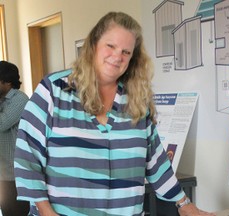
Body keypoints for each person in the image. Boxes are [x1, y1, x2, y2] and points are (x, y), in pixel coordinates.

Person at [14, 12, 214, 216]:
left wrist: (184, 203)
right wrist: (47, 212)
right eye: (110, 46)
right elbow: (26, 157)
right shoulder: (54, 90)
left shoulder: (135, 100)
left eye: (126, 52)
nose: (117, 56)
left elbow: (155, 160)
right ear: (93, 45)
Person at [0, 61, 30, 216]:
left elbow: (2, 123)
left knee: (18, 212)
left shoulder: (20, 99)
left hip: (17, 173)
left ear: (7, 82)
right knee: (7, 212)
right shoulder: (2, 99)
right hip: (3, 173)